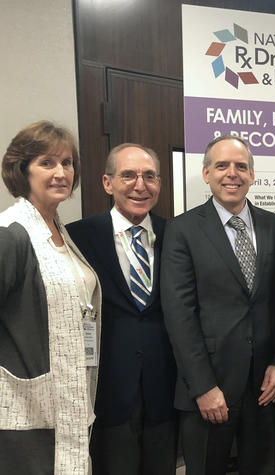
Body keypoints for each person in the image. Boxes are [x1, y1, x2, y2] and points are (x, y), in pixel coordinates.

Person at [161, 136, 275, 475]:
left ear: (252, 175)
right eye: (221, 165)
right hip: (209, 388)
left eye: (241, 166)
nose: (231, 174)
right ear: (206, 173)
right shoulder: (182, 230)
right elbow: (179, 316)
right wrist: (203, 387)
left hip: (265, 388)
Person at [66, 144, 176, 474]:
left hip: (164, 389)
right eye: (128, 175)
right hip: (107, 391)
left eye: (149, 176)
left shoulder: (176, 235)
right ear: (107, 182)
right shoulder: (77, 236)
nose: (140, 185)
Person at [0, 121, 101, 473]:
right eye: (47, 163)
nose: (61, 173)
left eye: (67, 163)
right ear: (21, 169)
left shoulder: (61, 232)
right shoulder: (11, 234)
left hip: (71, 400)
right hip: (25, 411)